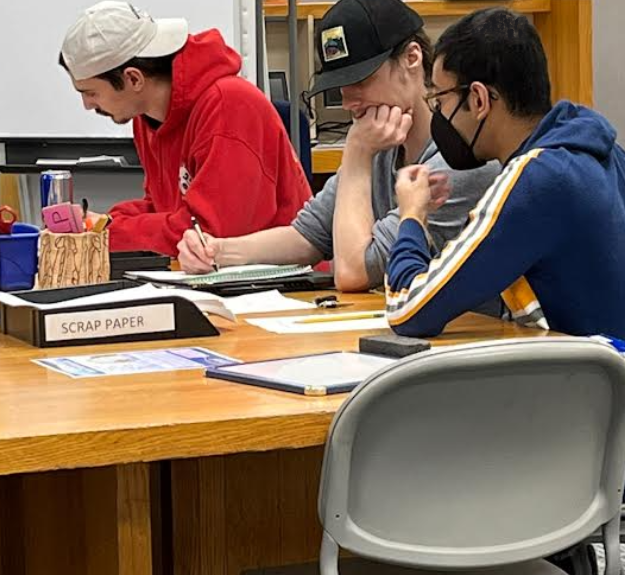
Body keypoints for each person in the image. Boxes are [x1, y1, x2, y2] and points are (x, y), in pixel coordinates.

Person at [177, 0, 499, 292]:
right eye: (340, 86)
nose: (348, 102)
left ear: (411, 59)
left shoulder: (463, 162)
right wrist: (218, 251)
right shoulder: (380, 144)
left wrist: (357, 154)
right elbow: (307, 236)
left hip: (468, 336)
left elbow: (354, 272)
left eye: (360, 81)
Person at [385, 7, 625, 338]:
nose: (438, 114)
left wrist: (412, 216)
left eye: (440, 101)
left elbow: (408, 308)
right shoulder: (600, 151)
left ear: (479, 99)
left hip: (589, 373)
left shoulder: (535, 180)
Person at [59, 1, 312, 256]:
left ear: (134, 78)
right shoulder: (147, 118)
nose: (87, 105)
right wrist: (104, 222)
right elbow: (164, 209)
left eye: (91, 93)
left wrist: (111, 233)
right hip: (214, 273)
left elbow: (209, 236)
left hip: (286, 277)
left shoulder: (228, 105)